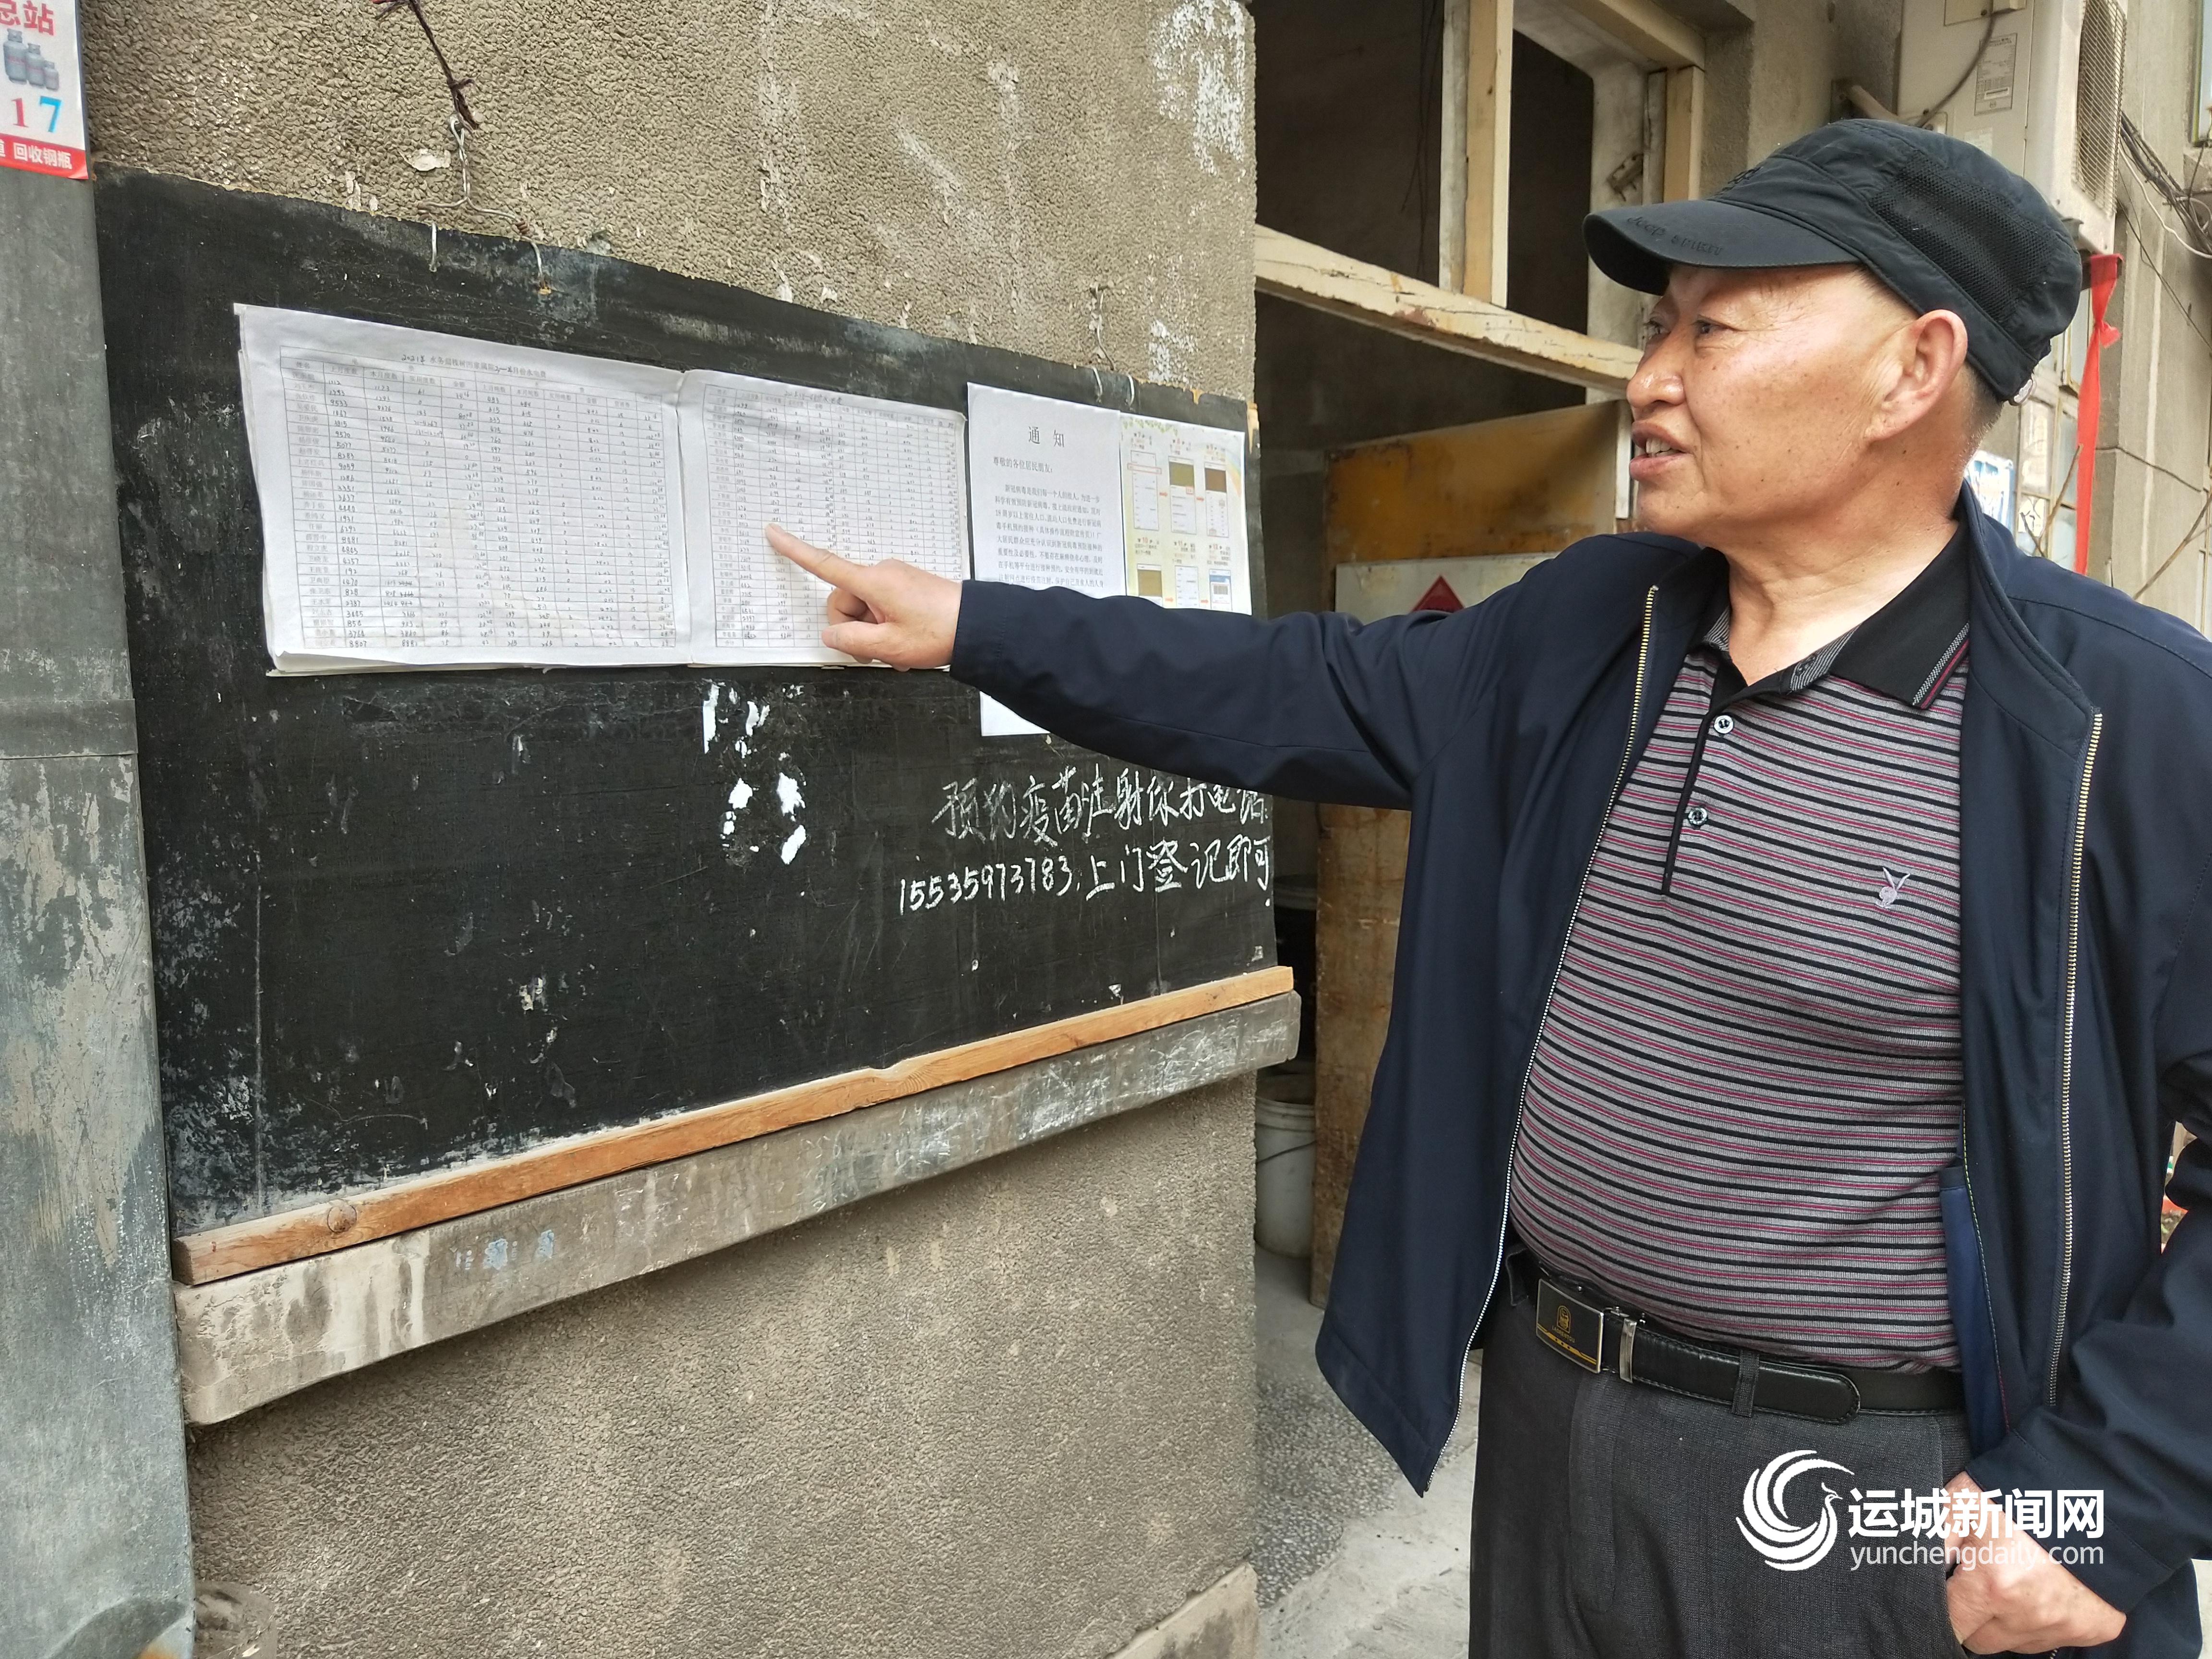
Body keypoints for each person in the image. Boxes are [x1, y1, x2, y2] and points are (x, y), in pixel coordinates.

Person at [769, 119, 2212, 1658]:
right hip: (1553, 1423)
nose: (1649, 380)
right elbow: (1298, 686)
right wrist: (977, 625)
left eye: (1712, 331)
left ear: (1912, 370)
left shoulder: (2120, 721)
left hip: (1880, 1496)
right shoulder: (1598, 626)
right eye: (1657, 327)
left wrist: (2108, 1492)